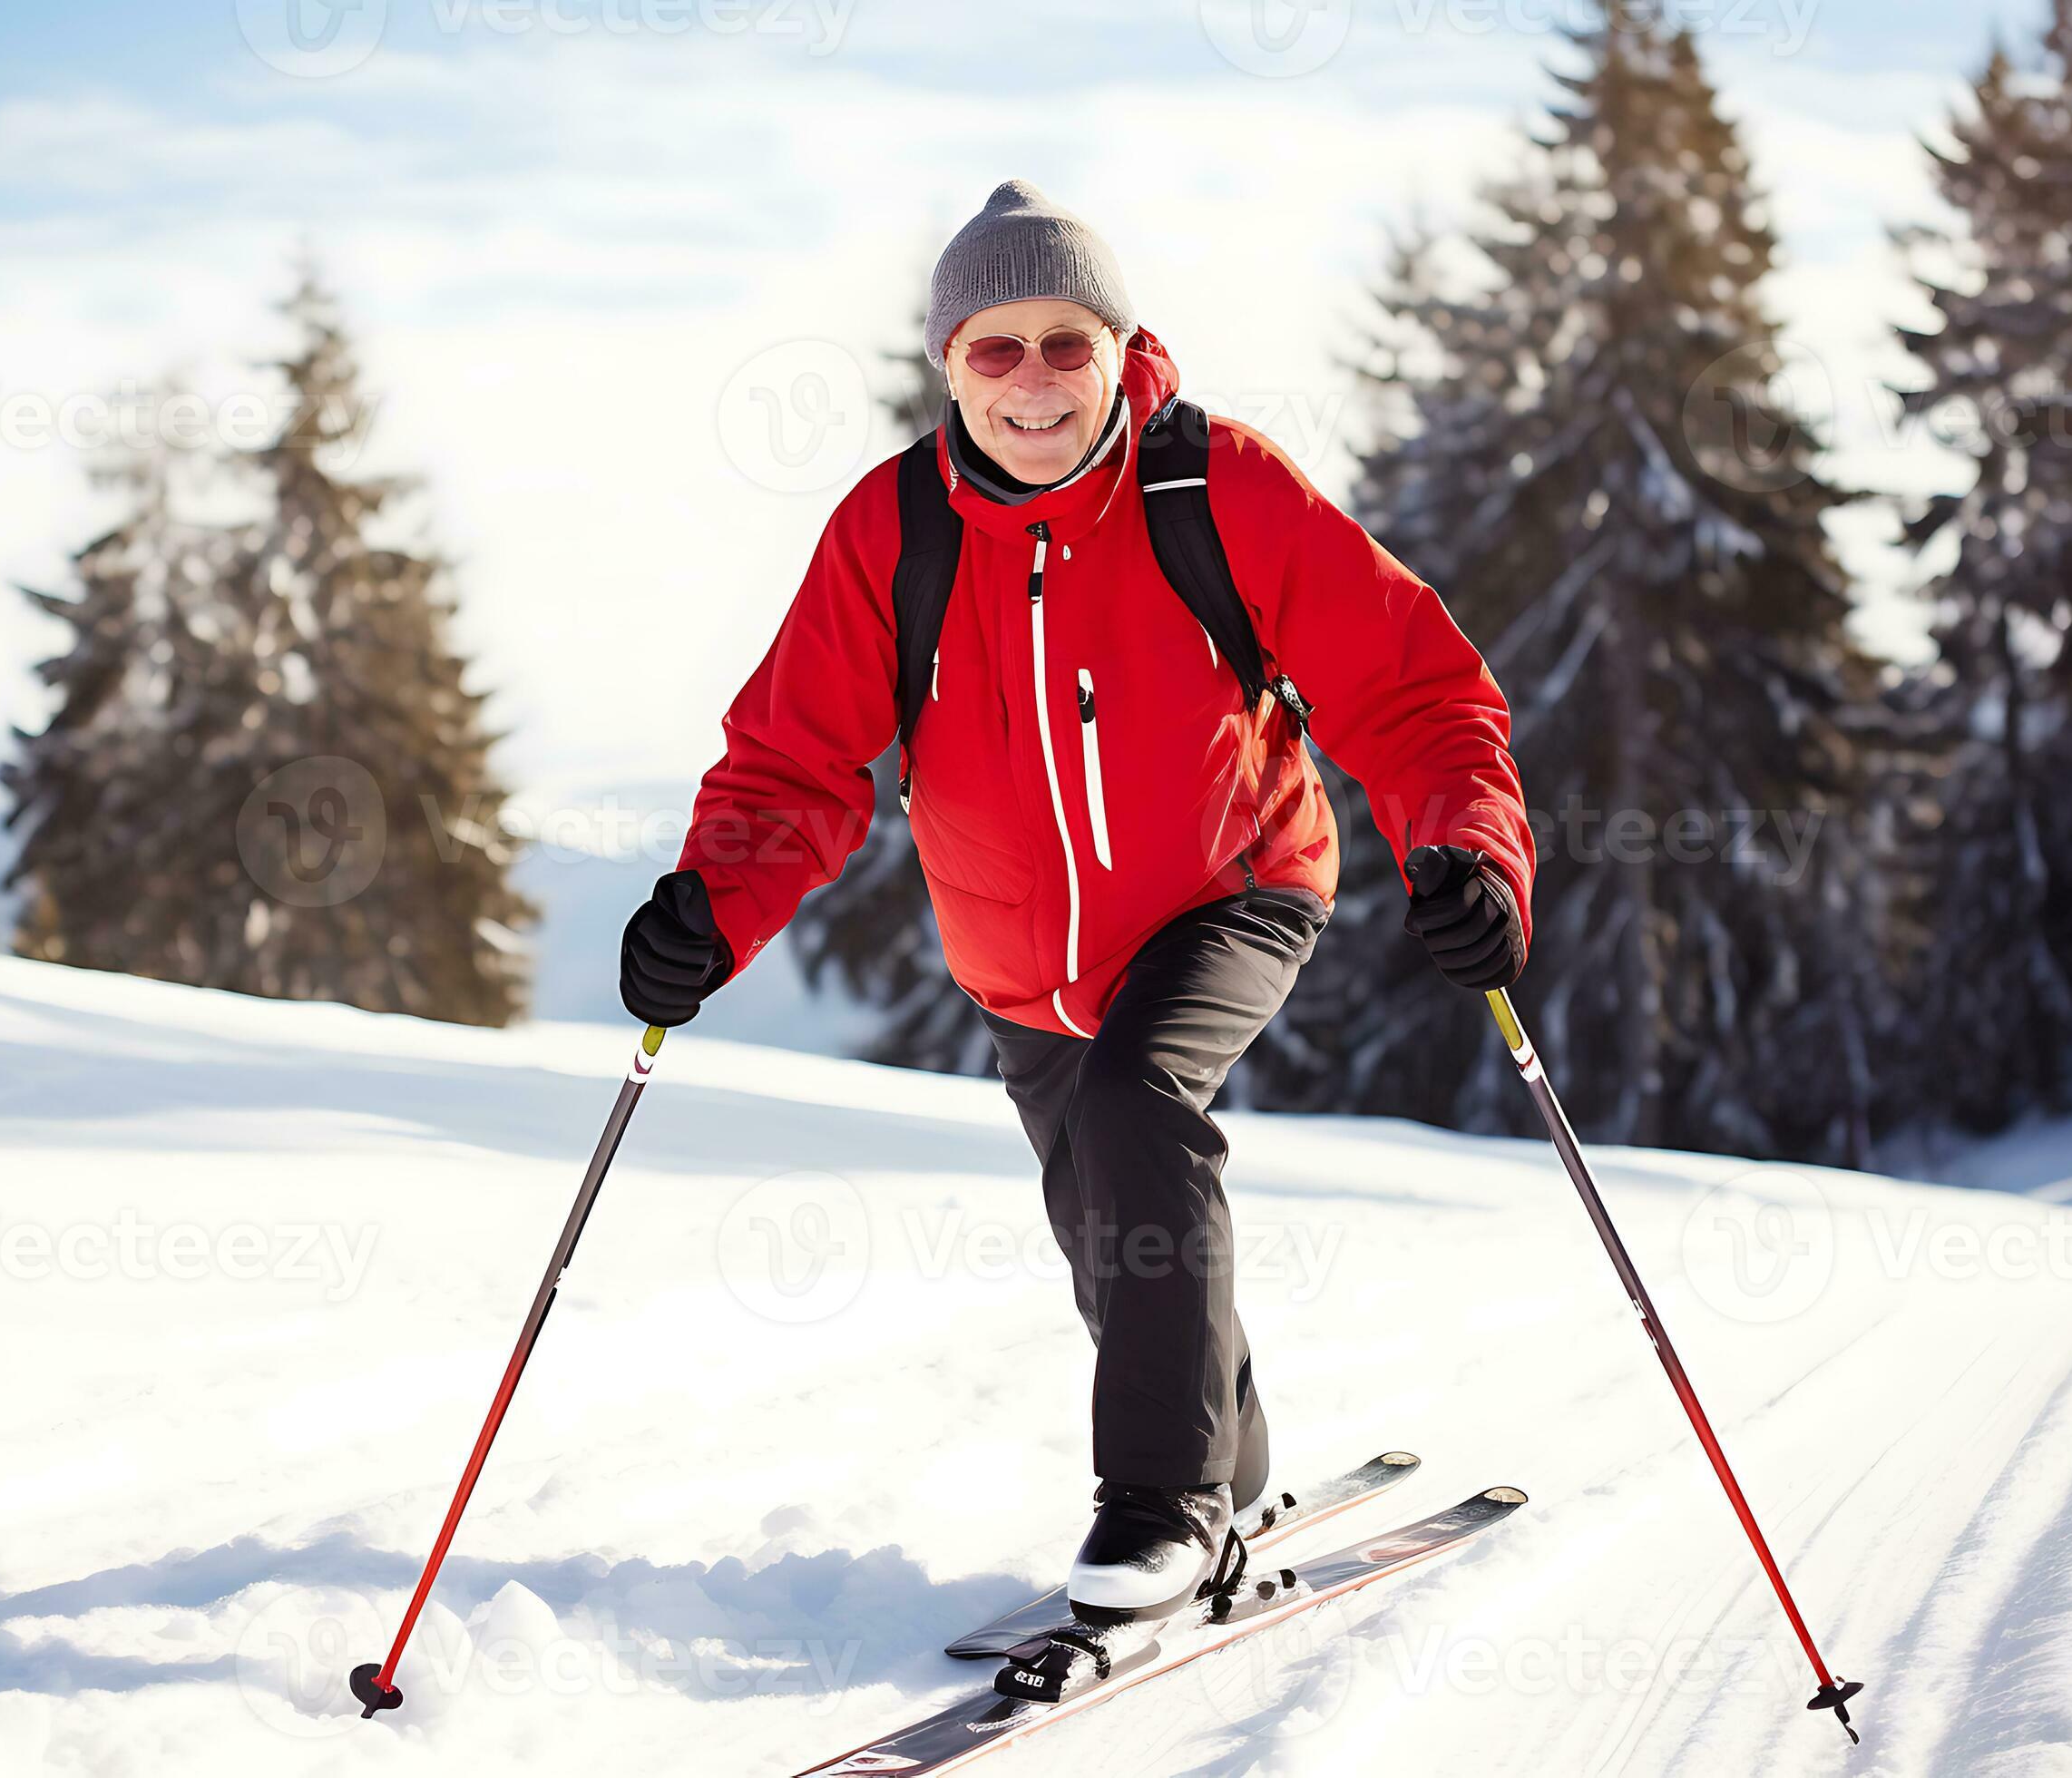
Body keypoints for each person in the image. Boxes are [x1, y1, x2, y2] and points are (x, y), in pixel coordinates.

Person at [621, 180, 1534, 1622]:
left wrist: (1472, 847)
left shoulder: (1217, 489)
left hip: (1231, 892)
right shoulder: (893, 531)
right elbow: (794, 759)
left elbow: (1417, 692)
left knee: (1136, 1111)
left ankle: (1159, 1504)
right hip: (1021, 969)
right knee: (1122, 1246)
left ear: (1121, 349)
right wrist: (708, 914)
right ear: (950, 366)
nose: (1033, 380)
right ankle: (1225, 1480)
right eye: (997, 348)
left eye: (1067, 343)